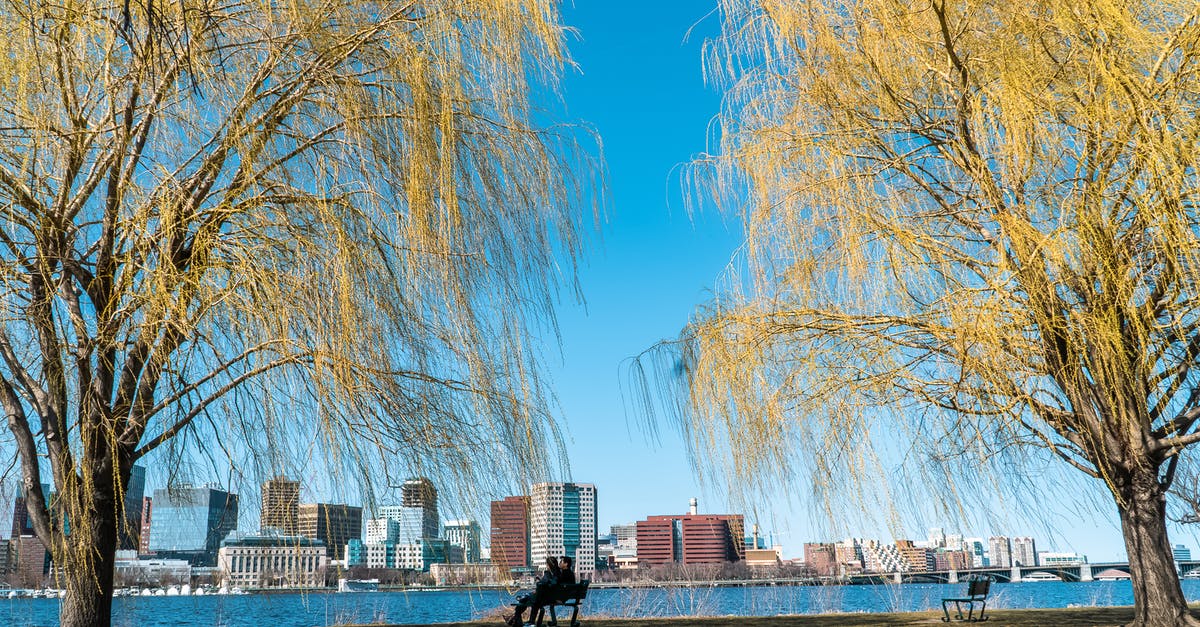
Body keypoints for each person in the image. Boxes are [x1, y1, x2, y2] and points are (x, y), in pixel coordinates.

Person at [506, 557, 560, 627]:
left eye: (546, 564)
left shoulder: (548, 574)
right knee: (528, 599)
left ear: (548, 565)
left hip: (542, 599)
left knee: (524, 599)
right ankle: (519, 618)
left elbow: (542, 585)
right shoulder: (559, 574)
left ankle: (518, 619)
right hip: (550, 598)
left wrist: (538, 582)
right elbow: (548, 585)